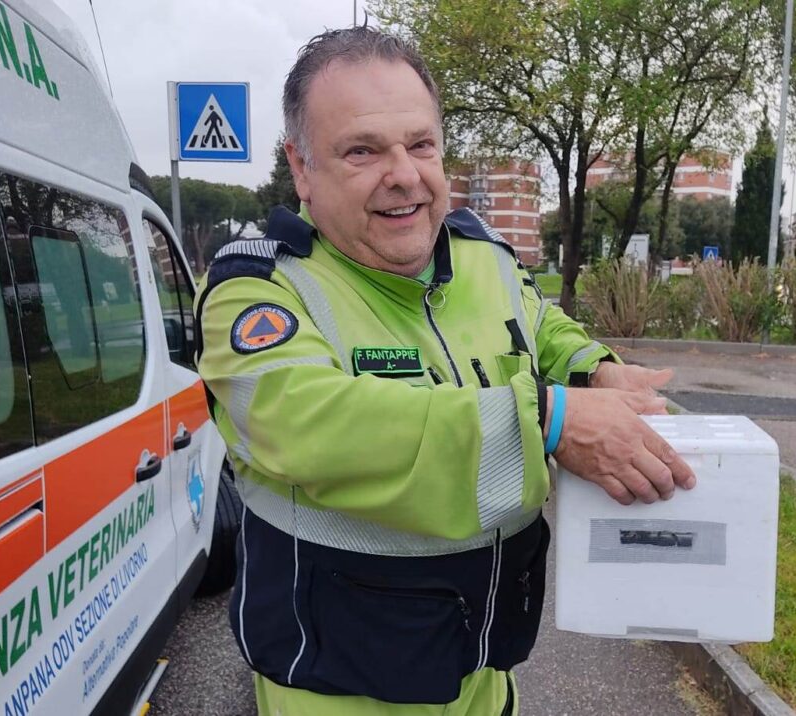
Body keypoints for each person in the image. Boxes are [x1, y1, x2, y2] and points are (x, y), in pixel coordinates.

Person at [194, 26, 696, 716]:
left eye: (421, 144)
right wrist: (548, 420)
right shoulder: (258, 290)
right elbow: (312, 427)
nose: (404, 175)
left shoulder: (481, 256)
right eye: (363, 150)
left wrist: (593, 371)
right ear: (302, 167)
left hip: (483, 670)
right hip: (342, 691)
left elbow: (539, 326)